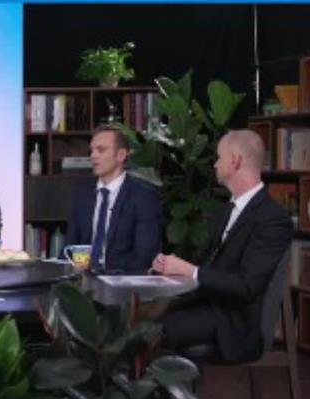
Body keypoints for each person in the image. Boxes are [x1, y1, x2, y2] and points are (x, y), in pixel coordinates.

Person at [152, 129, 292, 363]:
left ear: (235, 161)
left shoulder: (273, 218)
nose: (215, 164)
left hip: (234, 323)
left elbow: (246, 286)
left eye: (219, 157)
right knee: (137, 321)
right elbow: (206, 266)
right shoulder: (224, 212)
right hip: (205, 307)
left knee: (150, 331)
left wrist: (189, 270)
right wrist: (171, 268)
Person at [64, 125, 162, 273]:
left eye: (101, 150)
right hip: (83, 279)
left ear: (121, 155)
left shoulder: (144, 197)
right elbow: (69, 247)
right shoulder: (82, 195)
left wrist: (102, 268)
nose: (93, 156)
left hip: (124, 280)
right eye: (92, 150)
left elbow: (144, 256)